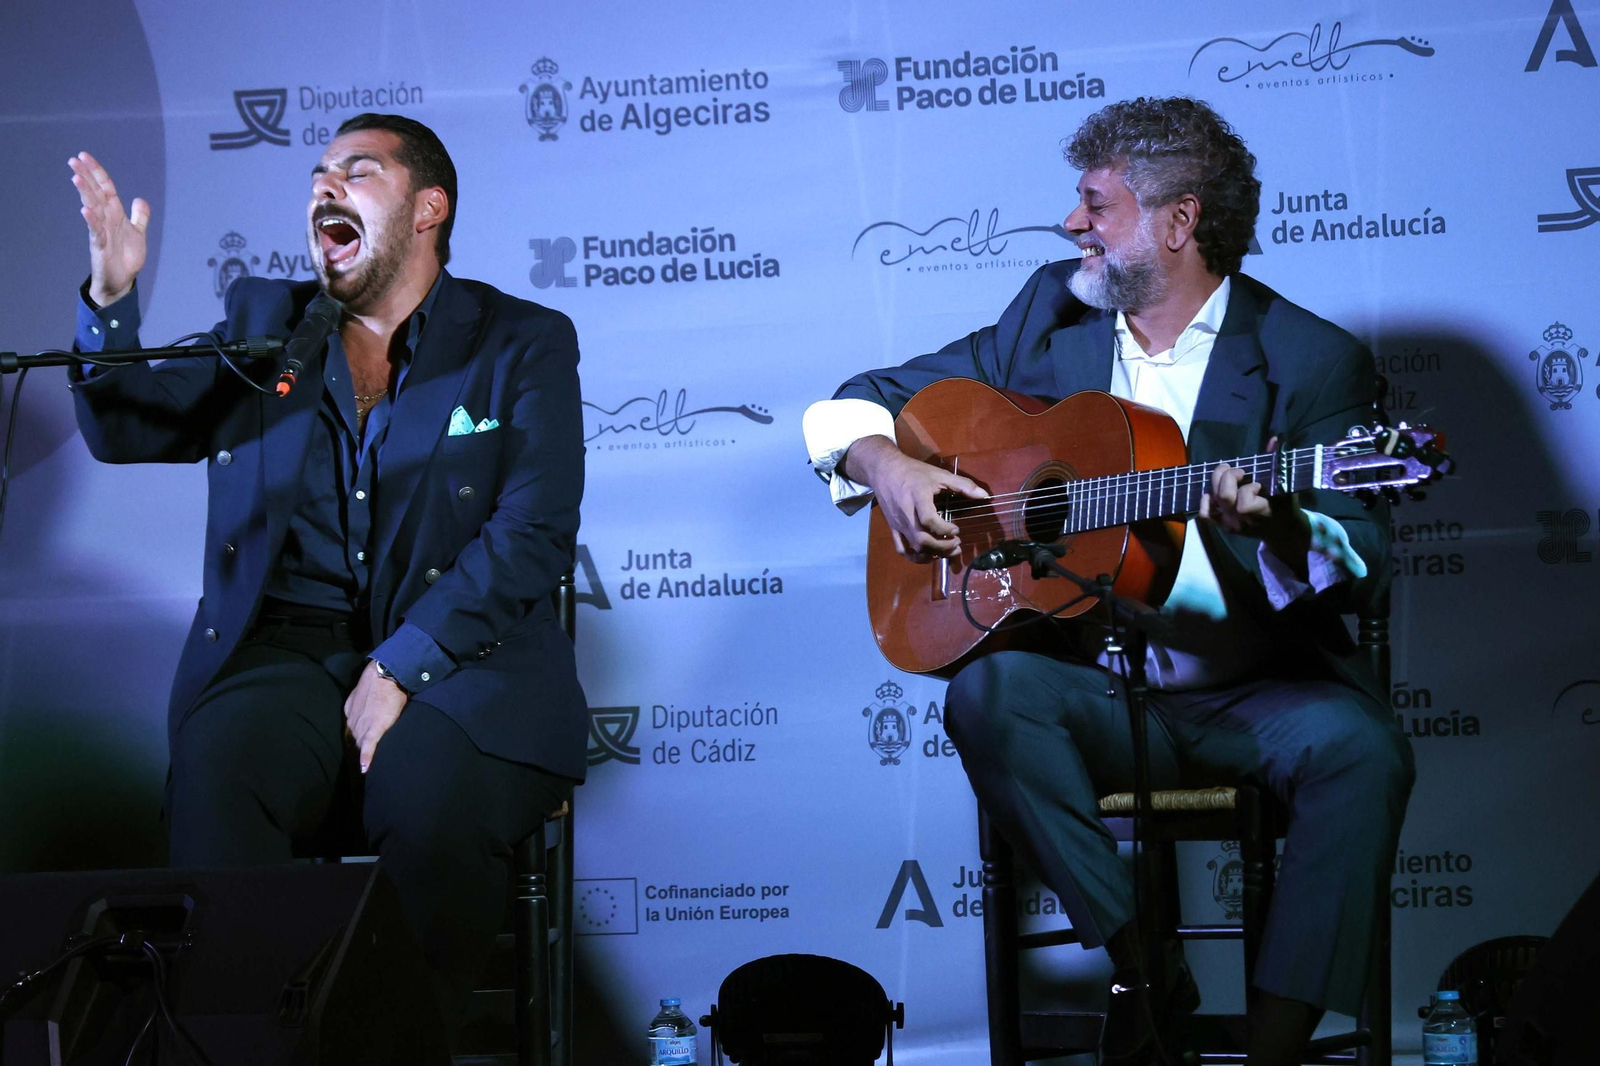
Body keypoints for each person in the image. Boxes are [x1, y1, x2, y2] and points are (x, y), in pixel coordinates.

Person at [803, 97, 1413, 1066]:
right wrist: (886, 467)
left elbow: (1363, 563)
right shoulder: (1049, 318)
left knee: (1363, 750)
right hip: (1096, 689)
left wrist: (1283, 525)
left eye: (1095, 204)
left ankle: (1273, 1047)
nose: (1070, 223)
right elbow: (858, 402)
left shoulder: (1306, 358)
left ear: (1177, 222)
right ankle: (1146, 975)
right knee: (989, 693)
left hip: (1254, 689)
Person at [67, 113, 586, 1045]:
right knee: (221, 768)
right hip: (289, 656)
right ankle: (238, 1048)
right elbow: (127, 425)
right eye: (317, 173)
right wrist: (111, 297)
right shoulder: (268, 328)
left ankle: (392, 1052)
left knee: (426, 796)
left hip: (461, 661)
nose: (325, 186)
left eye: (358, 169)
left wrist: (400, 666)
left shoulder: (519, 341)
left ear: (428, 208)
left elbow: (533, 531)